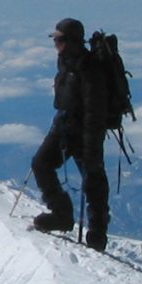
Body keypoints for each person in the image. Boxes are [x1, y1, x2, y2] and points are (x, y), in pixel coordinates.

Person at [29, 17, 110, 250]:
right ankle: (62, 215)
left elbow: (95, 111)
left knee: (93, 180)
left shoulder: (90, 69)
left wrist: (91, 145)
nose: (55, 43)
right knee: (41, 164)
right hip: (65, 126)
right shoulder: (66, 62)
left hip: (85, 132)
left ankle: (97, 234)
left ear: (71, 41)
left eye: (58, 39)